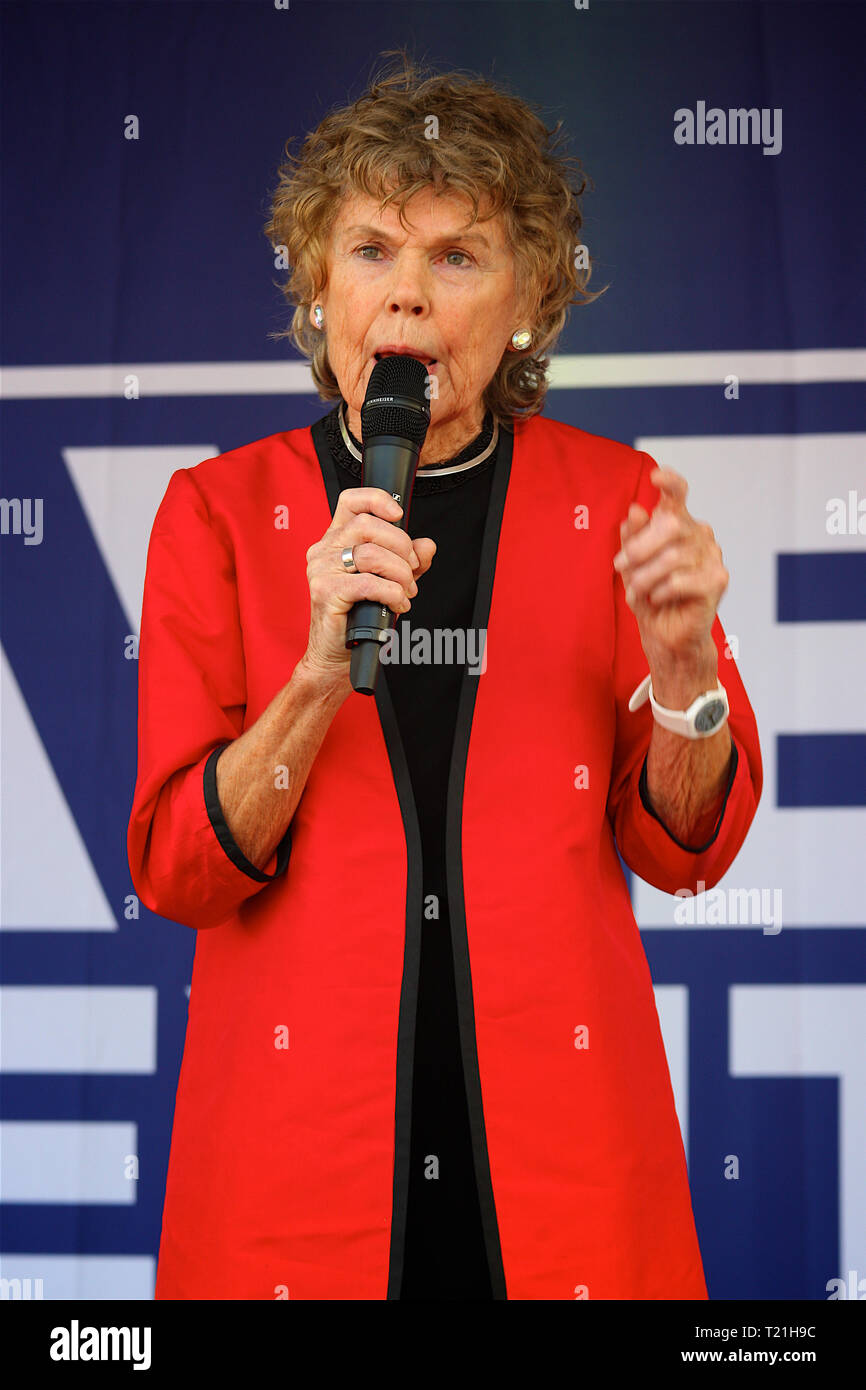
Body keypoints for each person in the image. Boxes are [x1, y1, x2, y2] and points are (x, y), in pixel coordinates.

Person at [128, 54, 762, 1301]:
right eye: (368, 250)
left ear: (529, 299)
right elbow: (176, 867)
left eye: (456, 258)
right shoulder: (214, 513)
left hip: (563, 1192)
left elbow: (684, 845)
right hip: (293, 1189)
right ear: (317, 287)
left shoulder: (614, 502)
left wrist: (686, 668)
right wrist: (314, 682)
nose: (404, 299)